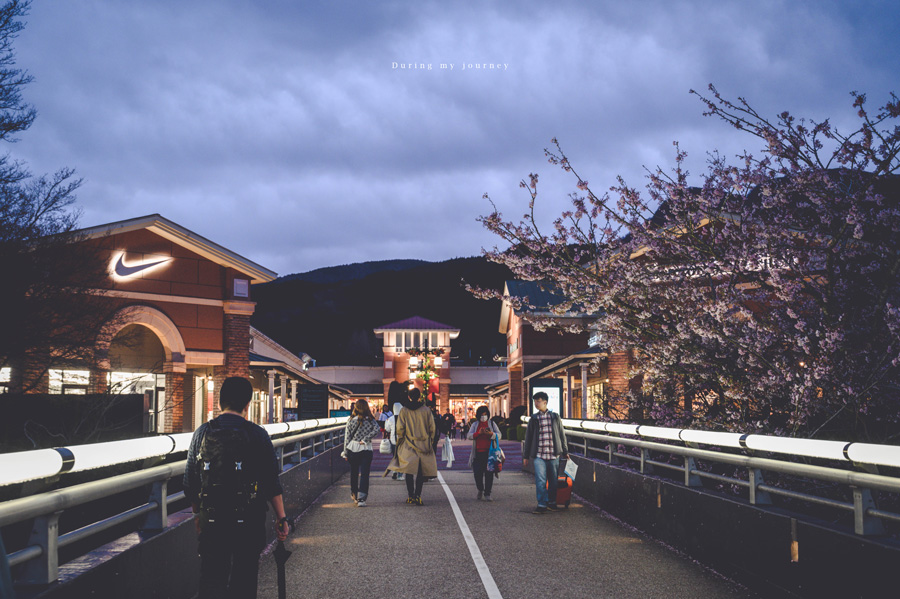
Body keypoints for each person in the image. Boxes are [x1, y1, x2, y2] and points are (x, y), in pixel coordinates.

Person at [183, 376, 290, 599]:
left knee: (211, 578)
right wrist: (281, 518)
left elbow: (191, 483)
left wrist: (197, 515)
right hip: (248, 521)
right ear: (247, 404)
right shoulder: (257, 434)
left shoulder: (201, 433)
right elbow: (271, 482)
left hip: (211, 520)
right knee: (245, 576)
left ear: (221, 402)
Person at [385, 388, 436, 505]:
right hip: (423, 443)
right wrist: (431, 441)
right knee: (420, 471)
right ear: (419, 397)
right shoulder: (426, 410)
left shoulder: (404, 410)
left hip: (408, 443)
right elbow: (432, 428)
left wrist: (400, 440)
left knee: (408, 470)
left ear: (409, 397)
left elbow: (400, 428)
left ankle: (410, 495)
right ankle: (418, 495)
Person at [522, 391, 569, 514]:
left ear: (545, 402)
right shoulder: (534, 419)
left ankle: (552, 502)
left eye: (538, 401)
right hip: (539, 455)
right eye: (535, 401)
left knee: (553, 480)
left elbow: (561, 434)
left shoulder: (555, 417)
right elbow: (528, 438)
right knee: (540, 480)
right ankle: (542, 504)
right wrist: (526, 456)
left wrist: (565, 451)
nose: (536, 404)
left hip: (554, 454)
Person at [342, 399, 381, 507]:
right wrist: (365, 439)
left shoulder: (351, 420)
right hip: (366, 449)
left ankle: (354, 495)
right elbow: (377, 429)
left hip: (353, 449)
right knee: (365, 474)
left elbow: (347, 438)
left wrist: (345, 452)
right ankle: (362, 499)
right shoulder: (370, 420)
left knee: (354, 473)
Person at [468, 405, 502, 501]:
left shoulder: (491, 423)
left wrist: (491, 434)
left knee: (489, 473)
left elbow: (499, 435)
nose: (484, 417)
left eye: (485, 415)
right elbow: (469, 435)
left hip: (490, 453)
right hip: (478, 453)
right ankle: (480, 489)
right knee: (477, 473)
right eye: (482, 415)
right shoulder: (475, 424)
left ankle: (487, 493)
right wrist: (478, 433)